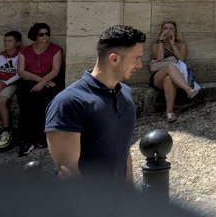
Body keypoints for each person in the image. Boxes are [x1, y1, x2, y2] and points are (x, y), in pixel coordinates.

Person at [45, 24, 147, 183]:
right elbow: (68, 171)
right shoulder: (69, 102)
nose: (140, 65)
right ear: (114, 59)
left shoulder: (125, 94)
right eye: (136, 58)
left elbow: (123, 153)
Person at [14, 22, 63, 156]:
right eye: (42, 34)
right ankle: (26, 140)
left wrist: (43, 81)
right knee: (26, 107)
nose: (45, 36)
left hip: (49, 81)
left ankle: (42, 139)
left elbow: (55, 70)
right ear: (35, 35)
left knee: (44, 104)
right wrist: (39, 80)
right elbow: (21, 71)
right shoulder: (25, 51)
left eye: (47, 34)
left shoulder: (55, 50)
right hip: (30, 81)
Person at [150, 19, 201, 123]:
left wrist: (172, 44)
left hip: (177, 78)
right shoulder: (156, 45)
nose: (168, 30)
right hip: (158, 77)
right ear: (161, 31)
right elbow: (159, 58)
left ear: (175, 31)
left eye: (171, 28)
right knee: (169, 67)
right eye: (165, 28)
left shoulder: (181, 44)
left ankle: (169, 112)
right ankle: (188, 89)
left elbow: (182, 59)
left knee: (168, 78)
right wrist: (160, 41)